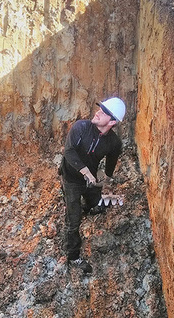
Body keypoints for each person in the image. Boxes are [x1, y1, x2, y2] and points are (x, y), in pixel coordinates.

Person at [59, 97, 126, 274]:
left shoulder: (113, 142)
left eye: (103, 112)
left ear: (112, 121)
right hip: (71, 178)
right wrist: (86, 172)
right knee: (73, 221)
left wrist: (107, 176)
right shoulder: (81, 127)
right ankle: (73, 257)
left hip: (91, 181)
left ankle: (89, 207)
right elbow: (69, 151)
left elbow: (112, 158)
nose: (98, 112)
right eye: (100, 109)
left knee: (94, 201)